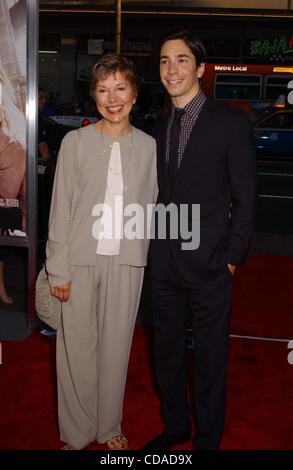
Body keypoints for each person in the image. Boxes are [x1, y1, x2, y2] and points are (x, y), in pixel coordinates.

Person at [143, 30, 256, 451]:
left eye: (182, 60)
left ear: (200, 68)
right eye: (164, 61)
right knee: (167, 356)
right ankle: (176, 429)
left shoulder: (230, 122)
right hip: (166, 263)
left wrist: (231, 258)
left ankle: (207, 441)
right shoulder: (158, 126)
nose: (171, 69)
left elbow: (246, 197)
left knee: (209, 360)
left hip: (211, 264)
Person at [46, 53, 158, 450]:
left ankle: (109, 427)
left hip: (127, 263)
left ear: (134, 94)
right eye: (103, 90)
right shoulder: (75, 142)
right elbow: (61, 207)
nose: (112, 98)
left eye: (121, 88)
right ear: (93, 96)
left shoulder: (148, 147)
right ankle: (75, 434)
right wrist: (58, 269)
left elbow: (155, 209)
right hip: (78, 260)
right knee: (75, 349)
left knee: (116, 349)